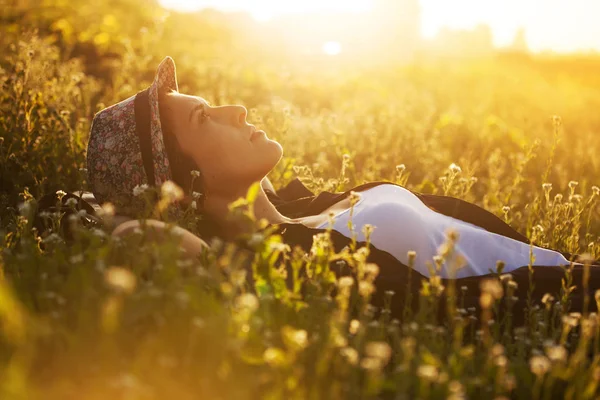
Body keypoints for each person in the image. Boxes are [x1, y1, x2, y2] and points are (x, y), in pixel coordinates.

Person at [87, 57, 599, 322]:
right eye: (204, 118)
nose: (236, 111)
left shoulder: (303, 211)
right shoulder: (290, 272)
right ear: (186, 183)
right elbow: (130, 233)